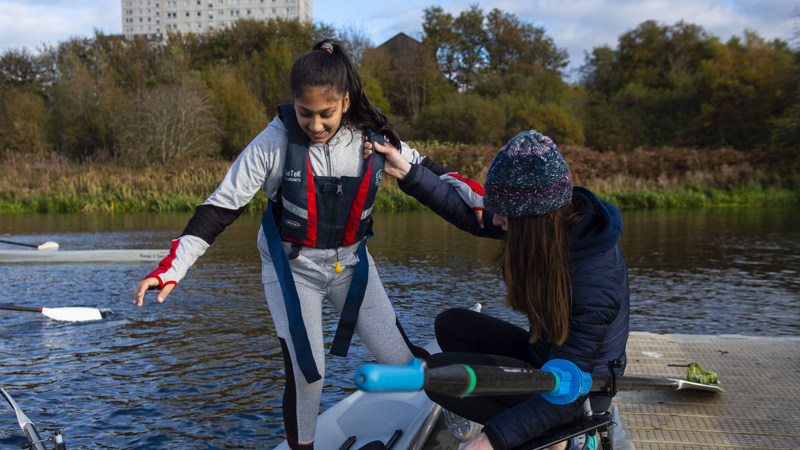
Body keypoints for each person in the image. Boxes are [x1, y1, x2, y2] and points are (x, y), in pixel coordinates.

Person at [132, 39, 479, 449]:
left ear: (346, 102)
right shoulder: (273, 142)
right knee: (307, 373)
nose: (315, 125)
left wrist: (477, 198)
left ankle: (459, 405)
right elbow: (220, 207)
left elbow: (426, 168)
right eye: (304, 113)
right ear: (292, 104)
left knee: (400, 360)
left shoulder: (372, 136)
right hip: (292, 270)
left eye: (326, 114)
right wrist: (171, 268)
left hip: (350, 265)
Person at [369, 129, 630, 450]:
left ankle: (563, 440)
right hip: (545, 358)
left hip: (580, 390)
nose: (495, 220)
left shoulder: (593, 281)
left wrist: (490, 440)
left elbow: (566, 392)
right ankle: (517, 421)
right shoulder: (549, 222)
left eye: (502, 214)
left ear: (531, 219)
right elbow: (470, 215)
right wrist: (408, 172)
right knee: (452, 325)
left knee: (438, 377)